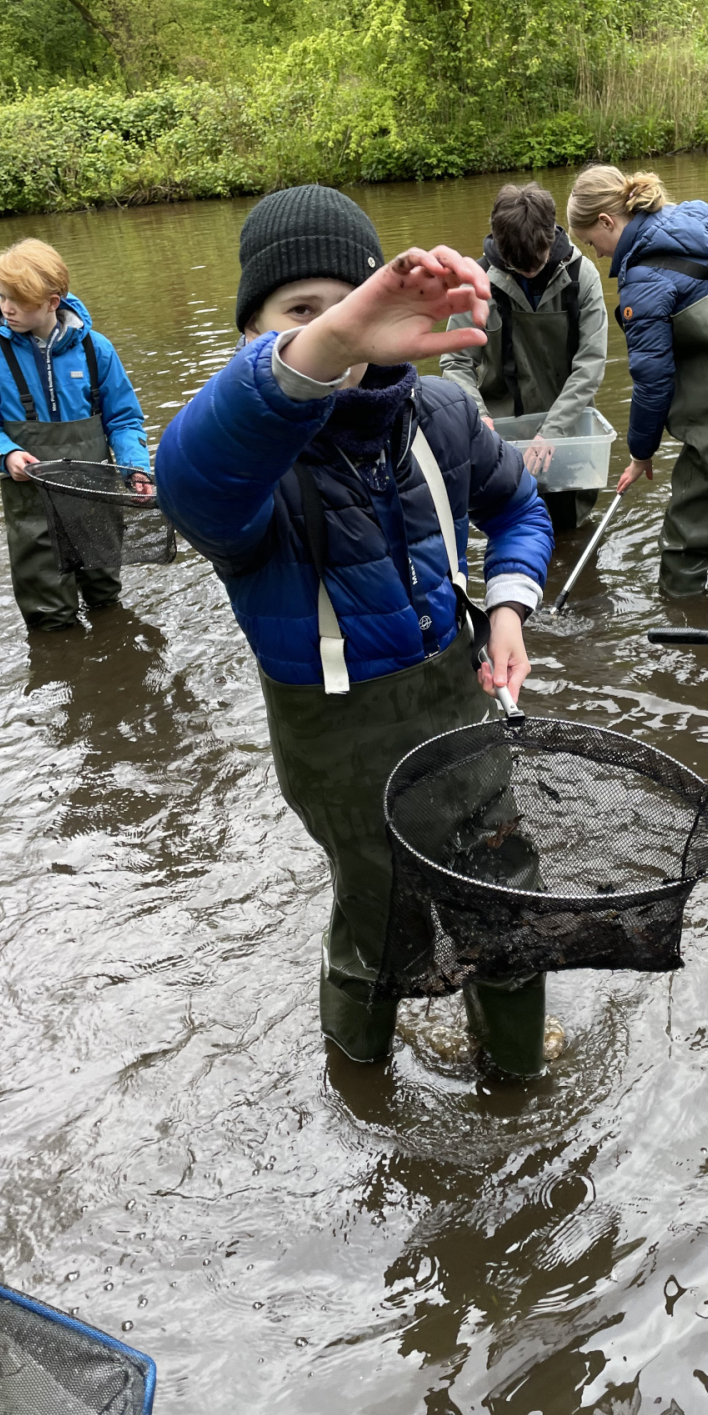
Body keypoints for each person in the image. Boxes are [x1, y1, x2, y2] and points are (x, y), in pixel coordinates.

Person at [154, 184, 555, 1076]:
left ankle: (516, 1075)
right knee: (382, 922)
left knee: (508, 902)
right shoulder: (238, 466)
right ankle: (358, 1070)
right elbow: (190, 480)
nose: (339, 327)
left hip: (461, 713)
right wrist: (330, 346)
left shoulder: (444, 414)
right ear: (252, 333)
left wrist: (505, 607)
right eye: (303, 311)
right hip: (339, 745)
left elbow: (519, 507)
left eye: (352, 300)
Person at [566, 165, 708, 598]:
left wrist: (640, 453)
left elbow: (652, 381)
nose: (600, 256)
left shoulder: (643, 280)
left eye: (593, 243)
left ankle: (677, 640)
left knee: (683, 545)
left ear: (608, 222)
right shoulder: (699, 220)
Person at [0, 238, 151, 630]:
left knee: (106, 600)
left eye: (18, 300)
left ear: (52, 301)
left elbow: (125, 421)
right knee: (51, 619)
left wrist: (136, 468)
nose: (6, 308)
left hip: (94, 495)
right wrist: (6, 454)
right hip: (30, 502)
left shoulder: (97, 350)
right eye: (1, 297)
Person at [440, 181, 607, 532]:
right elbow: (456, 363)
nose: (529, 272)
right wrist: (479, 418)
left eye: (537, 263)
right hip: (502, 433)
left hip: (567, 427)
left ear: (551, 239)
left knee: (570, 531)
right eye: (518, 266)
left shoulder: (582, 277)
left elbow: (590, 364)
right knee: (512, 528)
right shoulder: (476, 283)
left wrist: (553, 431)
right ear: (500, 246)